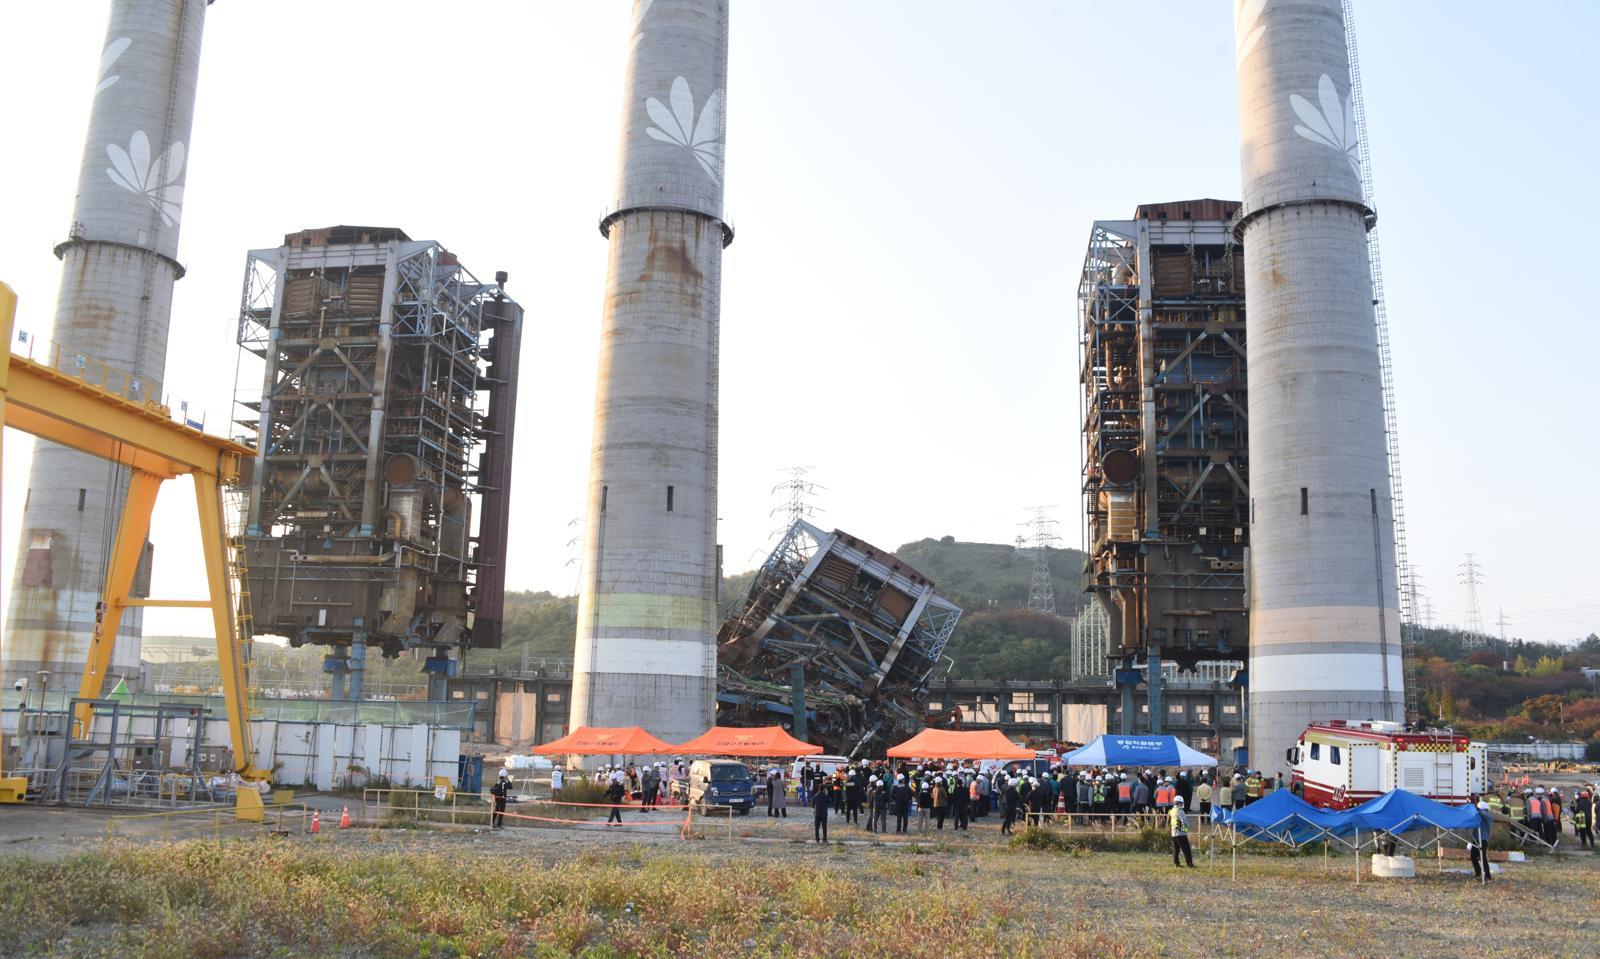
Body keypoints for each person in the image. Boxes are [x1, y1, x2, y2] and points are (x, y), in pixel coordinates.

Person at [1469, 796, 1493, 882]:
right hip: (1476, 839)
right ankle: (1478, 872)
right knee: (1473, 856)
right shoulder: (1477, 816)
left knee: (1482, 857)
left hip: (1483, 839)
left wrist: (1479, 810)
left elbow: (1486, 815)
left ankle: (1488, 875)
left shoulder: (1487, 817)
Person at [1169, 800, 1195, 868]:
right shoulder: (1180, 811)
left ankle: (1176, 863)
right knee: (1186, 849)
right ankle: (1189, 863)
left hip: (1173, 832)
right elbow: (1185, 822)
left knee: (1176, 849)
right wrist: (1186, 827)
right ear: (1180, 803)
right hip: (1181, 832)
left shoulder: (1172, 810)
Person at [812, 772, 832, 843]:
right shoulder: (825, 796)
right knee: (824, 826)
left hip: (817, 813)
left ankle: (817, 838)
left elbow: (813, 800)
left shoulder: (816, 796)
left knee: (816, 827)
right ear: (824, 789)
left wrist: (813, 808)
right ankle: (824, 838)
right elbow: (829, 802)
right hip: (824, 813)